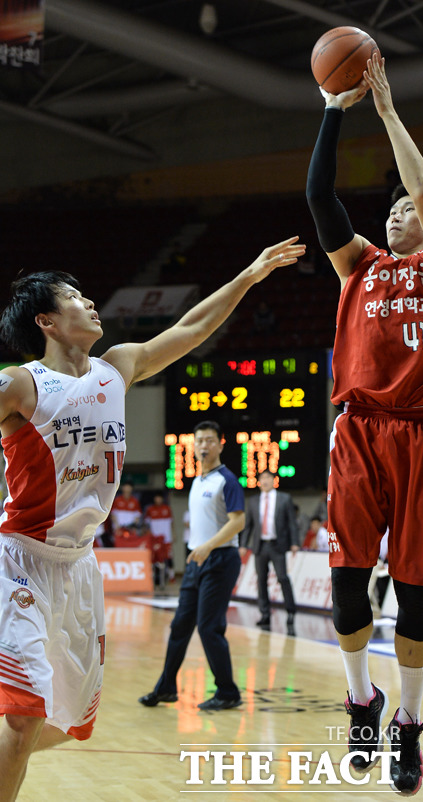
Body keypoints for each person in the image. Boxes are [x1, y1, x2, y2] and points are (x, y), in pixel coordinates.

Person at [0, 235, 305, 802]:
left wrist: (249, 275)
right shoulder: (21, 384)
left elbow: (190, 330)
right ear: (46, 320)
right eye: (73, 297)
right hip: (21, 560)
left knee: (68, 726)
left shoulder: (117, 367)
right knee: (21, 716)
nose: (89, 303)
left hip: (79, 567)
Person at [306, 52, 423, 795]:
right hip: (359, 429)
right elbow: (319, 196)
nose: (399, 212)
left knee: (412, 590)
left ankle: (407, 723)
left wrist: (387, 112)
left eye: (405, 209)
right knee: (348, 591)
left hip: (421, 429)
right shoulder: (358, 266)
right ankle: (360, 699)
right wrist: (331, 111)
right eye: (391, 211)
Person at [139, 420, 247, 710]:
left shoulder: (228, 480)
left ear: (221, 444)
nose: (203, 445)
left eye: (210, 440)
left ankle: (227, 692)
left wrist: (208, 546)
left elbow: (239, 521)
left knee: (209, 627)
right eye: (199, 440)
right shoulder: (197, 482)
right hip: (196, 561)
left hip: (221, 560)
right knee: (180, 625)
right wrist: (199, 549)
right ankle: (166, 688)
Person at [240, 469, 299, 635]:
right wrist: (243, 544)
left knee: (282, 578)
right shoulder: (253, 501)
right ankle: (265, 614)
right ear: (259, 482)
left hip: (277, 545)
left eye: (267, 478)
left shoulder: (284, 499)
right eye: (262, 478)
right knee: (261, 581)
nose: (264, 481)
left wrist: (295, 542)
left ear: (274, 480)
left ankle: (290, 611)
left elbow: (291, 523)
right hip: (260, 546)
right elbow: (248, 526)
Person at [144, 491, 174, 582]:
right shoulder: (150, 510)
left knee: (169, 557)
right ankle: (154, 578)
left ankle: (171, 577)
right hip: (155, 539)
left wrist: (173, 534)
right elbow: (147, 525)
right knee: (155, 558)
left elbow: (172, 522)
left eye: (159, 498)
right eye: (156, 498)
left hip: (167, 538)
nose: (158, 500)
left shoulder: (167, 509)